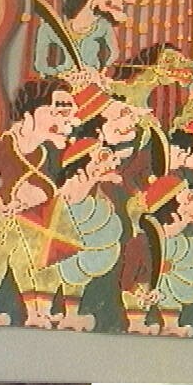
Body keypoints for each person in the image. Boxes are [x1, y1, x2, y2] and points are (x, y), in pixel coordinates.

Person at [0, 78, 79, 328]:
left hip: (31, 217)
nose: (60, 118)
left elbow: (56, 180)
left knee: (30, 265)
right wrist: (1, 202)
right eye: (53, 110)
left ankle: (34, 314)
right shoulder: (7, 143)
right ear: (30, 113)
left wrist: (41, 194)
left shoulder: (50, 149)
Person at [120, 174, 193, 337]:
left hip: (164, 286)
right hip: (140, 292)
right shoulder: (141, 243)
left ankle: (171, 325)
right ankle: (137, 323)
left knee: (172, 287)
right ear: (172, 213)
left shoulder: (178, 243)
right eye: (190, 198)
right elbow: (126, 281)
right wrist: (141, 293)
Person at [51, 137, 125, 332]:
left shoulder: (95, 186)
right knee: (60, 272)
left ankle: (71, 314)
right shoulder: (74, 183)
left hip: (85, 235)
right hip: (63, 233)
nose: (108, 164)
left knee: (78, 275)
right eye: (101, 158)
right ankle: (45, 310)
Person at [34, 0, 135, 77]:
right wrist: (62, 74)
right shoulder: (48, 29)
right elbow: (40, 66)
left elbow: (114, 56)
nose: (128, 0)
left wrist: (100, 73)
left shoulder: (103, 27)